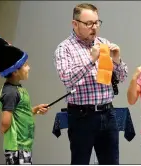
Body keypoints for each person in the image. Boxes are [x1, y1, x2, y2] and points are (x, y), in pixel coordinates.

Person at [54, 3, 128, 165]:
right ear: (75, 24)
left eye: (96, 22)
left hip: (107, 113)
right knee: (80, 161)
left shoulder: (104, 43)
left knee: (111, 162)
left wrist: (117, 61)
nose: (94, 27)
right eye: (89, 24)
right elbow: (67, 78)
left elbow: (122, 77)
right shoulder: (64, 48)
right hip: (82, 116)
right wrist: (91, 59)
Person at [0, 20, 50, 165]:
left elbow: (18, 113)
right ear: (15, 71)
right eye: (25, 65)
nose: (29, 68)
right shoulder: (10, 93)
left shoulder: (18, 89)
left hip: (24, 145)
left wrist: (34, 110)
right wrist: (4, 128)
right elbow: (6, 120)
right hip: (16, 147)